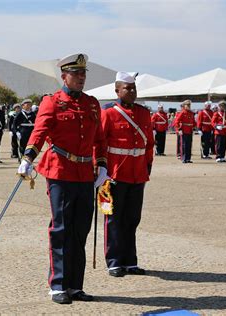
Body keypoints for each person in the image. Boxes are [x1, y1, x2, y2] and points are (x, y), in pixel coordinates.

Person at [17, 53, 107, 304]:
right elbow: (40, 131)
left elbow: (99, 138)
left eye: (84, 73)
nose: (81, 78)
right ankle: (57, 285)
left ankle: (75, 286)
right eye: (76, 74)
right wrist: (28, 158)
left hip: (84, 174)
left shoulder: (91, 104)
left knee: (81, 231)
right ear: (64, 76)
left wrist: (101, 165)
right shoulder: (52, 101)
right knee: (61, 229)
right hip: (60, 171)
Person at [99, 71, 154, 278]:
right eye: (127, 88)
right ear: (117, 90)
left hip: (137, 173)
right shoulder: (109, 113)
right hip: (114, 174)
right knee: (113, 218)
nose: (131, 92)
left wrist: (147, 165)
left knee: (132, 219)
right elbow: (100, 143)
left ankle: (130, 261)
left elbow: (149, 143)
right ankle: (114, 261)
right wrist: (100, 169)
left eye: (133, 88)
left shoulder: (143, 113)